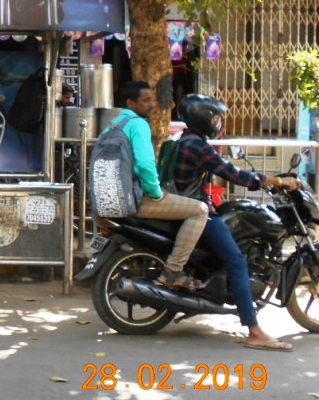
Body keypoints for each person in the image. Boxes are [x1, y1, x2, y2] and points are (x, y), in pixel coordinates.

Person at [173, 93, 295, 351]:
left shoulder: (187, 140)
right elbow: (233, 174)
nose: (218, 123)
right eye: (214, 117)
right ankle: (254, 331)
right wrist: (276, 181)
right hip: (198, 209)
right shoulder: (197, 146)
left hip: (191, 204)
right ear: (202, 118)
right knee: (237, 262)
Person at [112, 81, 209, 290]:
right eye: (146, 100)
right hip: (134, 199)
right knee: (200, 210)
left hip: (112, 200)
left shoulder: (113, 125)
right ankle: (173, 270)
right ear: (131, 102)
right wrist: (156, 193)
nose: (151, 105)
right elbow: (146, 165)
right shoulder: (138, 124)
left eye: (151, 100)